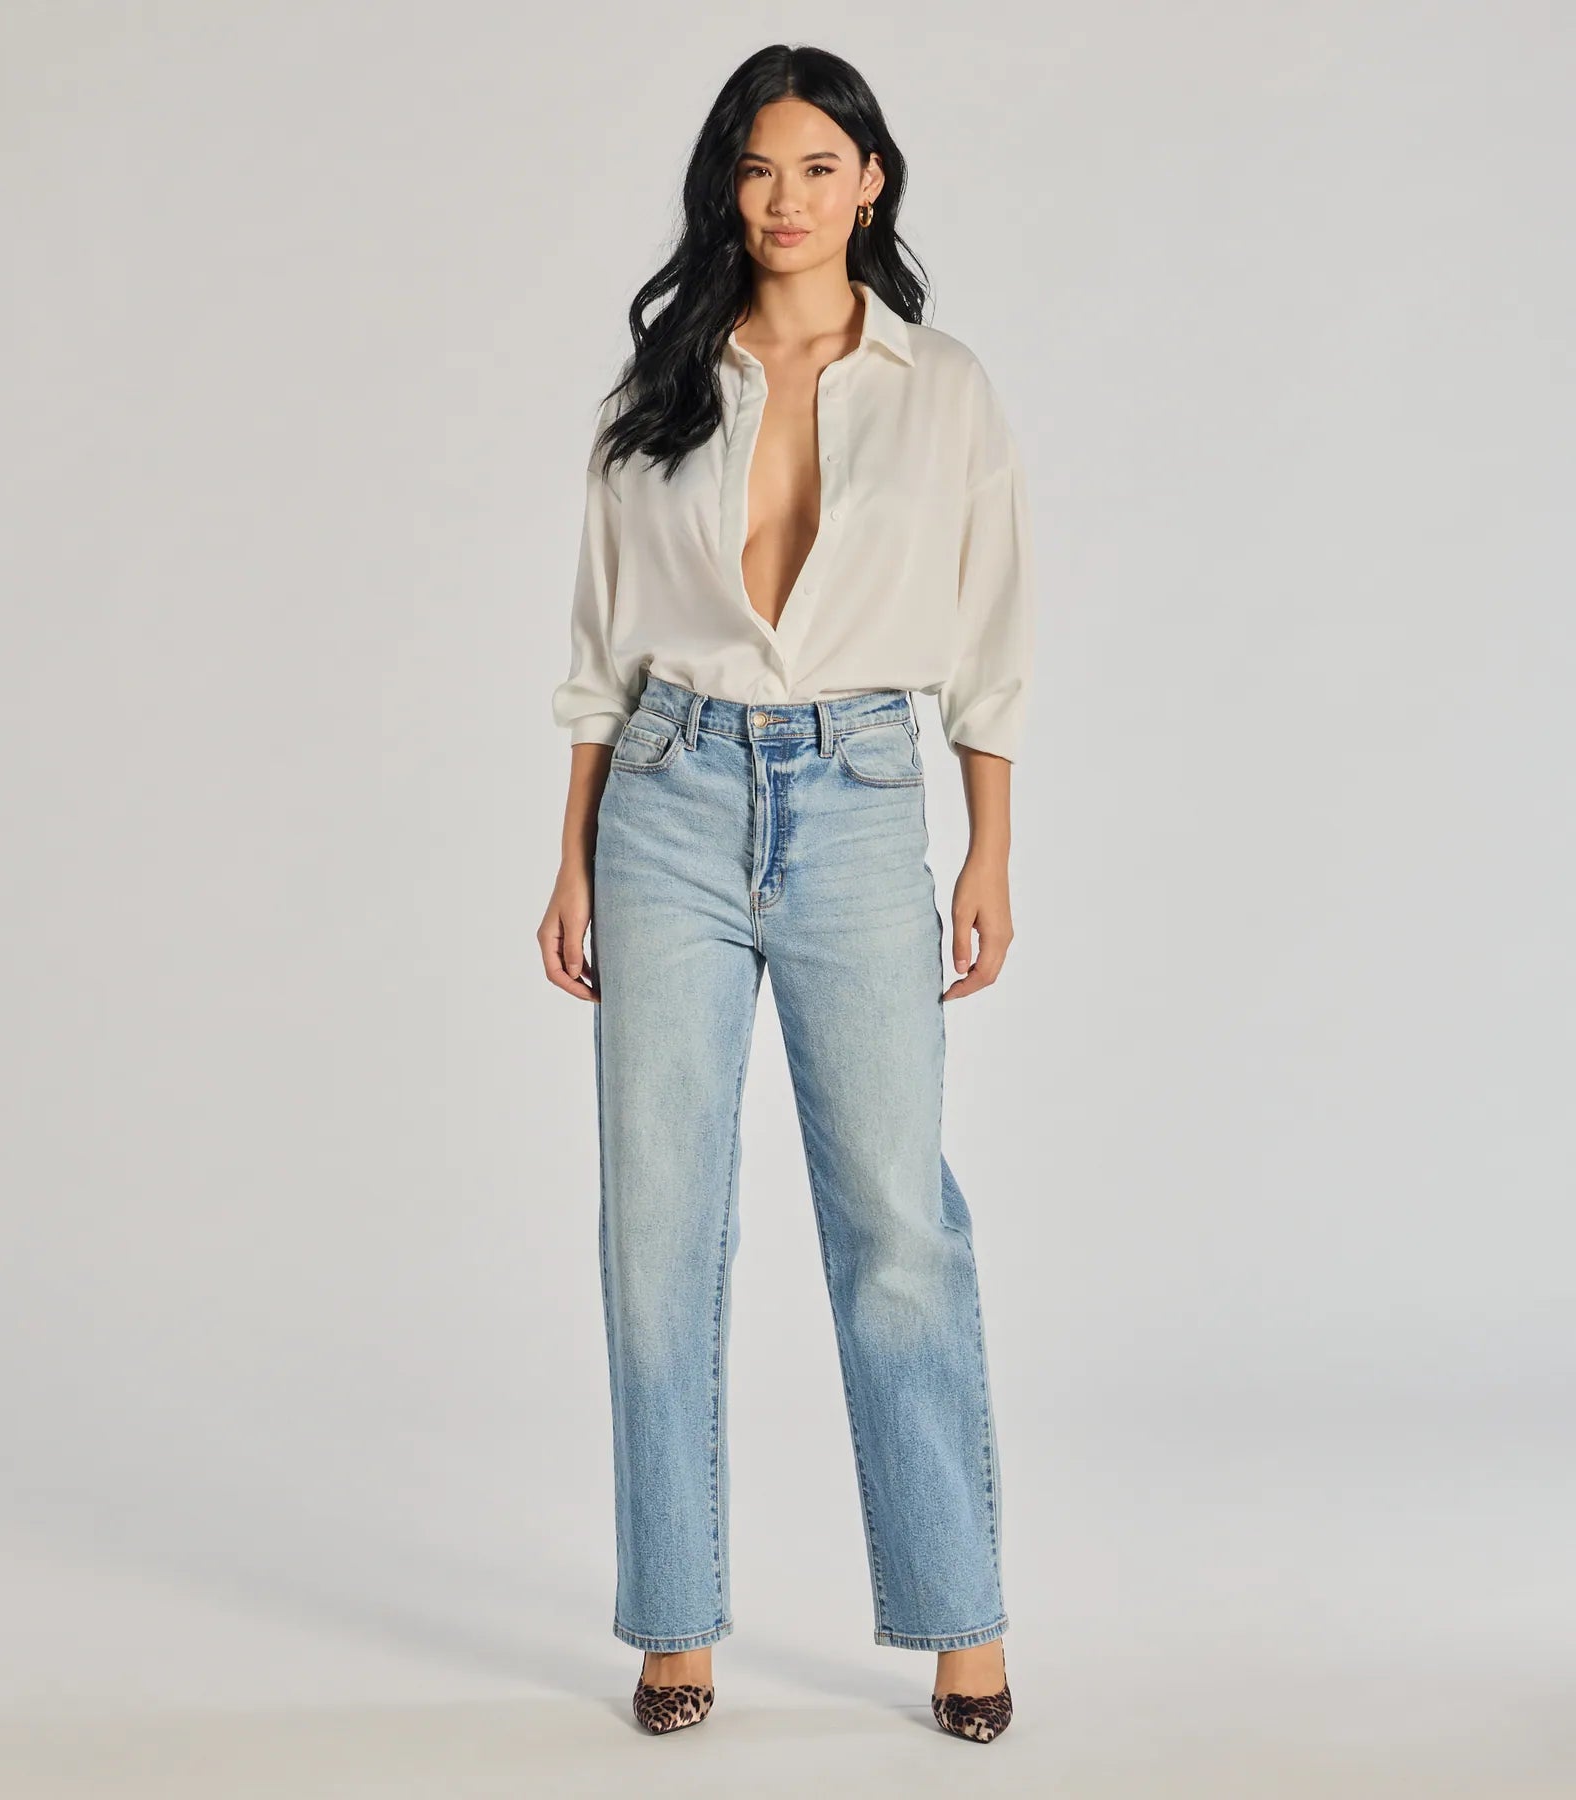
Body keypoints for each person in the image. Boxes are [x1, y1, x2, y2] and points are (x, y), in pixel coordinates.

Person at [538, 44, 1034, 1746]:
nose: (784, 199)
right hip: (665, 801)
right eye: (756, 169)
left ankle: (960, 1620)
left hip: (860, 799)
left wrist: (989, 846)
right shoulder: (663, 382)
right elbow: (601, 643)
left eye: (818, 166)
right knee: (657, 1226)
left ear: (870, 180)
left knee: (896, 1222)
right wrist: (569, 854)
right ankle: (673, 1618)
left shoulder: (939, 386)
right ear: (725, 188)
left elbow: (990, 630)